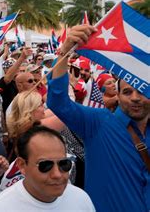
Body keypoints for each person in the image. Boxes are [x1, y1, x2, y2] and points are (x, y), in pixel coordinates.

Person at [47, 24, 150, 212]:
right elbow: (59, 102)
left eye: (142, 91)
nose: (135, 97)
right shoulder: (98, 123)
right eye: (127, 91)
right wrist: (65, 51)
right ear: (117, 96)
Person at [0, 126, 95, 211]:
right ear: (22, 165)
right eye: (46, 165)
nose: (57, 174)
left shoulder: (81, 199)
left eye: (64, 164)